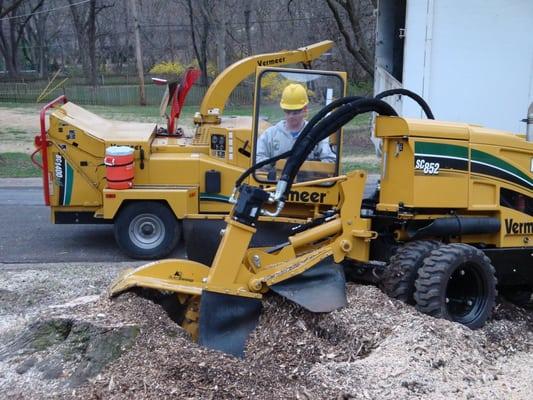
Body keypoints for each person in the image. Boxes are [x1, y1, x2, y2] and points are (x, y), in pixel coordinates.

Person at [255, 83, 336, 164]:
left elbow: (330, 160)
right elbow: (257, 158)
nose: (291, 116)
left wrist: (310, 166)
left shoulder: (315, 133)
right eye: (288, 112)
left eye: (295, 112)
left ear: (304, 110)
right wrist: (276, 165)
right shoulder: (270, 135)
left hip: (309, 177)